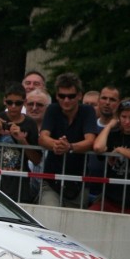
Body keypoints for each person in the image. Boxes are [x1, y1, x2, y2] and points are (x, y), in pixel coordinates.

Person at [38, 72, 100, 208]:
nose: (66, 100)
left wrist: (69, 147)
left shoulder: (87, 111)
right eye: (62, 96)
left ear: (79, 95)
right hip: (52, 180)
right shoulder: (52, 109)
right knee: (50, 215)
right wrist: (57, 144)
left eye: (71, 96)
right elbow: (43, 138)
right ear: (56, 96)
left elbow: (90, 140)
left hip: (79, 182)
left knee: (74, 224)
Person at [0, 84, 42, 202]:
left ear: (24, 102)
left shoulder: (30, 123)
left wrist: (22, 140)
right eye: (10, 102)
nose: (14, 106)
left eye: (18, 103)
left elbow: (36, 159)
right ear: (4, 101)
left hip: (19, 184)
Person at [89, 98, 130, 214]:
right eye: (124, 117)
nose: (127, 121)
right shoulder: (114, 135)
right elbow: (98, 147)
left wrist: (121, 150)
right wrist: (109, 126)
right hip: (109, 199)